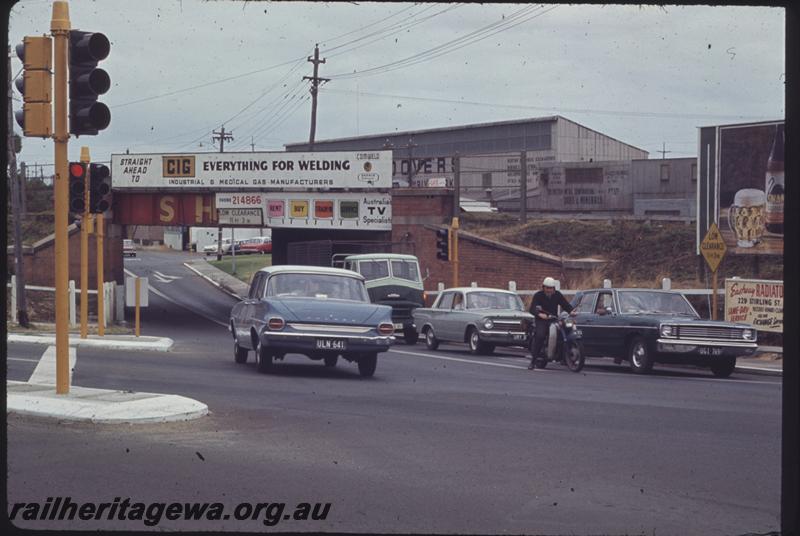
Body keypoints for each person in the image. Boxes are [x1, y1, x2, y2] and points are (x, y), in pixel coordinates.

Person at [528, 276, 576, 370]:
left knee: (565, 330)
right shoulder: (538, 295)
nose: (549, 290)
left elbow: (565, 304)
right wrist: (539, 314)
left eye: (551, 288)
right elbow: (532, 308)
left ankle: (564, 357)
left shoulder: (557, 295)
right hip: (542, 320)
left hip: (553, 319)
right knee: (540, 335)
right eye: (547, 288)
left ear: (554, 288)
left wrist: (571, 311)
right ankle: (533, 361)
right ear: (543, 287)